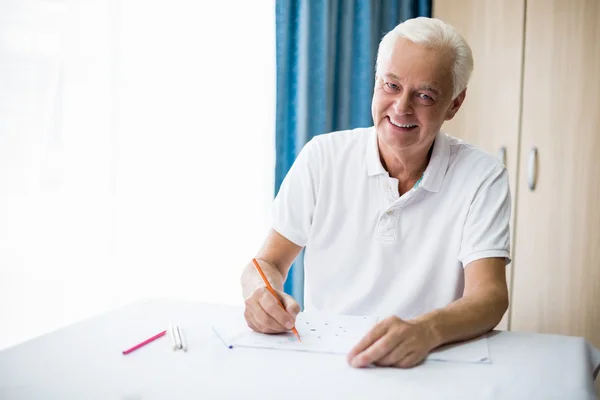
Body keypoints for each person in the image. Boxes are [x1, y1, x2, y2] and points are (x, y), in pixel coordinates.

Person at [240, 17, 511, 369]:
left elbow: (489, 297)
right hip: (329, 359)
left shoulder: (483, 176)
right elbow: (266, 263)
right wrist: (260, 294)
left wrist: (425, 330)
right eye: (391, 85)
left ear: (455, 104)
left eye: (425, 95)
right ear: (375, 82)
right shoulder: (323, 156)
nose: (401, 107)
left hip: (431, 363)